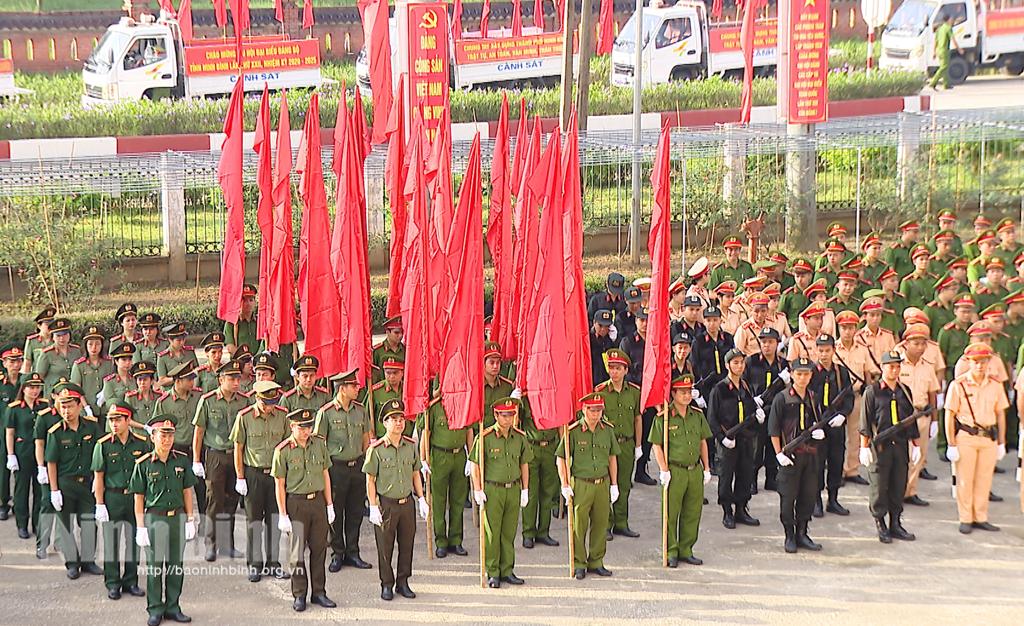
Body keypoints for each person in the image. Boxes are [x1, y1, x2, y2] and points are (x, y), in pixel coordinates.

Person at [129, 415, 198, 626]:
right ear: (153, 437)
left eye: (170, 435)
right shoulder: (143, 464)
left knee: (176, 565)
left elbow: (187, 491)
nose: (167, 440)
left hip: (177, 517)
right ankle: (155, 609)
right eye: (162, 435)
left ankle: (173, 607)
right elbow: (139, 497)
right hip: (154, 519)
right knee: (155, 567)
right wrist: (140, 526)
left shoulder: (182, 461)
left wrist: (190, 518)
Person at [272, 409, 337, 611]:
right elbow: (279, 484)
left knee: (319, 549)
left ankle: (319, 592)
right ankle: (299, 594)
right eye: (302, 427)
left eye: (309, 427)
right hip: (296, 504)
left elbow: (325, 474)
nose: (306, 431)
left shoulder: (319, 444)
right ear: (292, 426)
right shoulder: (283, 450)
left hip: (317, 502)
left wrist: (329, 505)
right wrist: (282, 514)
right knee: (297, 553)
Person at [364, 403, 428, 601]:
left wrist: (422, 498)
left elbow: (416, 473)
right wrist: (373, 506)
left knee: (407, 544)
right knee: (385, 547)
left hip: (406, 503)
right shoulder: (376, 450)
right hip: (386, 504)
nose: (399, 423)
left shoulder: (410, 446)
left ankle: (403, 581)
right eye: (394, 419)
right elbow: (370, 480)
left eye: (401, 419)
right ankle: (386, 583)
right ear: (385, 423)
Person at [859, 350, 922, 543]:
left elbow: (911, 420)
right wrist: (864, 446)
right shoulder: (873, 391)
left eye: (897, 366)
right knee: (879, 487)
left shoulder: (904, 391)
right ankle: (881, 524)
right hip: (880, 447)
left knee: (898, 484)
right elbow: (865, 421)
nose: (895, 370)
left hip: (900, 445)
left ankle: (895, 522)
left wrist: (916, 444)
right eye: (891, 366)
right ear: (883, 367)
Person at [944, 343, 1007, 534]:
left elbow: (1001, 414)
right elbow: (949, 415)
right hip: (966, 436)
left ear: (989, 362)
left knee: (984, 479)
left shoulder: (995, 385)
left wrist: (1002, 442)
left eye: (984, 361)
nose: (980, 365)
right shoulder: (958, 385)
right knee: (965, 479)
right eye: (976, 362)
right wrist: (951, 443)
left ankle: (980, 516)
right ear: (969, 362)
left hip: (988, 438)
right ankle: (965, 517)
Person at [557, 393, 621, 580]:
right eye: (592, 410)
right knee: (579, 525)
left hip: (602, 482)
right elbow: (561, 458)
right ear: (584, 410)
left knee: (601, 523)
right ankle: (579, 563)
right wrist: (565, 483)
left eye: (599, 410)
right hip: (582, 484)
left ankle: (596, 561)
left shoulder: (607, 430)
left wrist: (614, 483)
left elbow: (612, 458)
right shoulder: (574, 432)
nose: (596, 414)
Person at [231, 380, 290, 582]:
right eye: (266, 402)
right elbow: (238, 449)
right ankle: (254, 564)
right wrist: (240, 477)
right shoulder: (244, 417)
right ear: (257, 398)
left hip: (275, 476)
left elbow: (287, 446)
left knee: (274, 521)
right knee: (254, 521)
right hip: (253, 474)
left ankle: (273, 564)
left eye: (273, 401)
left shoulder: (282, 416)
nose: (270, 406)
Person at [192, 360, 250, 562]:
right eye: (232, 379)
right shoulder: (208, 400)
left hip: (235, 455)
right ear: (221, 379)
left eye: (238, 378)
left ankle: (228, 545)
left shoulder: (244, 401)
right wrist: (196, 460)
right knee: (214, 501)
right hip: (215, 455)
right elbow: (199, 432)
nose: (236, 382)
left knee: (231, 501)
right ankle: (211, 544)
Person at [316, 368, 375, 570]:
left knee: (356, 511)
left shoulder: (361, 410)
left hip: (357, 466)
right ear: (342, 389)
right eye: (353, 386)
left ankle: (353, 551)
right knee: (336, 512)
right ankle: (337, 553)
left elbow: (366, 439)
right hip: (336, 468)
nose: (357, 388)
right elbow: (319, 444)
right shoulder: (326, 413)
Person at [470, 397, 532, 588]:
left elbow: (524, 464)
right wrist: (478, 489)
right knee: (492, 533)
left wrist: (525, 489)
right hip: (493, 489)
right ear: (496, 415)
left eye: (511, 415)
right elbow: (475, 465)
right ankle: (493, 571)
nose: (508, 419)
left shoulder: (519, 437)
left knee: (509, 532)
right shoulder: (485, 437)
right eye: (504, 415)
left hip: (512, 488)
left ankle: (507, 570)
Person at [651, 374, 712, 567]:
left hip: (694, 470)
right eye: (682, 392)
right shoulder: (665, 418)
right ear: (673, 393)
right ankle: (671, 550)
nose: (687, 396)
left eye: (689, 392)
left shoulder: (697, 415)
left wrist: (707, 468)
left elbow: (703, 441)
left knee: (692, 512)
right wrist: (663, 469)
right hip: (675, 471)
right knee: (671, 512)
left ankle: (687, 549)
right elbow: (657, 445)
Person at [45, 382, 103, 579]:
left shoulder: (92, 427)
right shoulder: (55, 432)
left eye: (70, 406)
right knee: (66, 524)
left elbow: (99, 454)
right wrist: (54, 490)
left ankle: (88, 561)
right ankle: (72, 563)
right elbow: (51, 462)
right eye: (62, 406)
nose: (66, 410)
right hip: (65, 483)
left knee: (88, 522)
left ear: (79, 405)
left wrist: (97, 479)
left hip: (87, 483)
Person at [91, 401, 148, 600]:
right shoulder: (103, 444)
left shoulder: (141, 444)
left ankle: (131, 581)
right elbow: (99, 476)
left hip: (134, 498)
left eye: (118, 420)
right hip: (112, 497)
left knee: (134, 541)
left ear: (128, 420)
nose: (114, 424)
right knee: (112, 543)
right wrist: (100, 503)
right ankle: (113, 583)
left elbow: (146, 475)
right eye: (111, 420)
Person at [769, 358, 823, 554]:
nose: (802, 378)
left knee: (808, 496)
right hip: (789, 456)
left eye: (806, 374)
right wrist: (778, 454)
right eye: (798, 374)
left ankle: (802, 532)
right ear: (791, 375)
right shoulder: (782, 398)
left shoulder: (813, 397)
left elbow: (819, 419)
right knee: (788, 498)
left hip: (810, 455)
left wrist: (819, 433)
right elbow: (774, 430)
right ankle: (789, 535)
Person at [706, 349, 762, 529]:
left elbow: (751, 409)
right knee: (726, 475)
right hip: (728, 440)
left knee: (745, 474)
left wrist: (758, 415)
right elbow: (712, 418)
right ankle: (727, 511)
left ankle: (741, 509)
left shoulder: (745, 387)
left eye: (741, 362)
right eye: (735, 362)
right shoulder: (720, 389)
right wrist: (721, 438)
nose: (739, 366)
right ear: (727, 365)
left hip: (746, 439)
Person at [594, 348, 641, 539]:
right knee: (606, 485)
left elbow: (638, 418)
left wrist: (638, 445)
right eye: (611, 368)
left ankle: (621, 522)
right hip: (607, 447)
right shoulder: (600, 392)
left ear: (625, 370)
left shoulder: (634, 392)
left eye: (618, 368)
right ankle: (605, 524)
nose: (614, 372)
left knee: (623, 484)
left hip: (627, 444)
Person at [894, 326, 941, 507]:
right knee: (901, 456)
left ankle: (910, 491)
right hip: (902, 417)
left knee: (918, 457)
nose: (920, 347)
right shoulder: (897, 365)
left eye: (923, 344)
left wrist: (935, 420)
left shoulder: (928, 367)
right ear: (906, 344)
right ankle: (897, 491)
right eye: (916, 343)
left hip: (922, 415)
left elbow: (932, 395)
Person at [809, 334, 855, 517]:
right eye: (821, 350)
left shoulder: (841, 372)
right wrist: (813, 422)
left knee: (836, 462)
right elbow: (807, 398)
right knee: (817, 464)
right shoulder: (811, 372)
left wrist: (843, 415)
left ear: (833, 351)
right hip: (818, 425)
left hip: (836, 425)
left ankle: (833, 499)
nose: (824, 354)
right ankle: (816, 500)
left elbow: (849, 397)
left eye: (827, 350)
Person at [744, 327, 790, 492]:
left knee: (773, 446)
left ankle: (771, 479)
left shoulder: (783, 364)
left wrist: (786, 382)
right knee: (756, 448)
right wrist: (751, 401)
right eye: (763, 342)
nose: (767, 345)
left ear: (777, 343)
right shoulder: (751, 361)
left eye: (770, 342)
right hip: (758, 410)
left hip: (776, 411)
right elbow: (744, 384)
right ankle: (751, 480)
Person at [5, 372, 47, 540]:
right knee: (21, 491)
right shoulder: (14, 408)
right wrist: (10, 455)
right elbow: (10, 433)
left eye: (37, 387)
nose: (34, 391)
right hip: (22, 453)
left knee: (39, 492)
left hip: (40, 455)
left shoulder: (44, 406)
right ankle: (22, 524)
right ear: (23, 389)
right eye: (31, 387)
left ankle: (38, 524)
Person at [834, 310, 874, 485]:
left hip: (857, 396)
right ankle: (837, 470)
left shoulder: (862, 350)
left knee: (856, 434)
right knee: (837, 436)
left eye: (851, 328)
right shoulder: (832, 349)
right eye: (844, 328)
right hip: (837, 399)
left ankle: (851, 470)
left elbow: (867, 374)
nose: (848, 331)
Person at [619, 308, 657, 485]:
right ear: (636, 321)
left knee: (647, 433)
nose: (644, 324)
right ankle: (625, 472)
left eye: (647, 320)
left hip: (649, 396)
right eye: (641, 320)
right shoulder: (628, 342)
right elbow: (623, 369)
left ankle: (641, 470)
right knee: (630, 433)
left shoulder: (653, 342)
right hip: (633, 393)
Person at [520, 392, 560, 550]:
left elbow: (560, 423)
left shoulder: (555, 396)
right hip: (531, 447)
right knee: (531, 492)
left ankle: (543, 531)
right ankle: (528, 533)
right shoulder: (526, 398)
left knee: (548, 492)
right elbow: (517, 422)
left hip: (550, 447)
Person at [71, 325, 113, 419]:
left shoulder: (109, 363)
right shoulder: (79, 365)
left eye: (97, 344)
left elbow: (113, 383)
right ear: (85, 345)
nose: (94, 347)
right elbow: (77, 390)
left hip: (106, 410)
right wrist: (86, 407)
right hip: (86, 411)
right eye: (90, 344)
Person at [35, 318, 83, 395]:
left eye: (65, 335)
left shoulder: (76, 351)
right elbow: (39, 376)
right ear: (53, 337)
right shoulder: (47, 354)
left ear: (69, 335)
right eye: (58, 335)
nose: (62, 338)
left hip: (73, 393)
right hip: (53, 393)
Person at [155, 324, 198, 389]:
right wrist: (177, 378)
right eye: (178, 340)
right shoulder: (162, 357)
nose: (182, 343)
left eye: (183, 339)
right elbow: (162, 380)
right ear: (170, 340)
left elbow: (197, 370)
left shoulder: (190, 352)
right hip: (171, 391)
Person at [99, 342, 136, 415]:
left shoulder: (135, 379)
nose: (127, 363)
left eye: (129, 359)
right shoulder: (109, 381)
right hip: (117, 416)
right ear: (116, 361)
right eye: (124, 360)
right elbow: (110, 403)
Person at [124, 362, 160, 434]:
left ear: (152, 381)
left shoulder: (158, 396)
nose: (142, 383)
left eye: (145, 379)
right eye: (140, 380)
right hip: (138, 436)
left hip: (155, 435)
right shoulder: (130, 398)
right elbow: (127, 420)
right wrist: (144, 427)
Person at [224, 284, 259, 356]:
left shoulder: (259, 322)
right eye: (245, 300)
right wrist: (244, 358)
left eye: (251, 300)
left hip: (257, 362)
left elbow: (263, 344)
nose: (248, 303)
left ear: (255, 302)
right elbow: (230, 347)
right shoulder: (232, 322)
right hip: (239, 363)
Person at [929, 13, 961, 90]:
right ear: (948, 20)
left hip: (939, 50)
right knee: (943, 67)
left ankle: (946, 84)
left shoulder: (939, 29)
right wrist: (959, 49)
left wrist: (934, 52)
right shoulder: (948, 28)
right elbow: (953, 39)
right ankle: (933, 82)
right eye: (951, 19)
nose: (952, 20)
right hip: (944, 50)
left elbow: (935, 41)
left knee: (945, 67)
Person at [23, 306, 57, 375]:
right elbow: (27, 364)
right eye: (47, 324)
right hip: (37, 379)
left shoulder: (57, 340)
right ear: (39, 326)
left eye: (52, 324)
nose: (50, 327)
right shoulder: (32, 341)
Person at [589, 310, 616, 385]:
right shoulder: (587, 339)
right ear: (594, 322)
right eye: (600, 325)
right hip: (590, 379)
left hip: (606, 381)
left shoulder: (610, 340)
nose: (603, 329)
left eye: (607, 326)